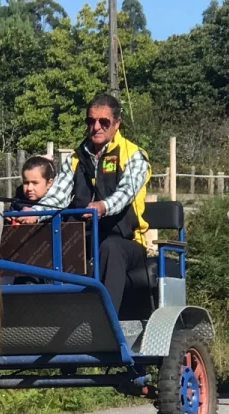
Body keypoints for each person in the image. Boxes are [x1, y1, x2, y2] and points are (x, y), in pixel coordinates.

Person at [29, 93, 152, 314]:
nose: (96, 127)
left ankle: (106, 322)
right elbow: (57, 196)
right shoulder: (75, 158)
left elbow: (125, 193)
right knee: (43, 243)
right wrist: (34, 213)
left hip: (127, 242)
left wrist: (102, 207)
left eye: (103, 122)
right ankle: (46, 316)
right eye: (91, 121)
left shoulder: (133, 156)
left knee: (110, 248)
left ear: (116, 124)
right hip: (83, 238)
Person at [7, 155, 56, 221]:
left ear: (49, 183)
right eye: (26, 182)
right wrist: (10, 218)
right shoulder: (17, 201)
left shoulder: (56, 203)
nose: (29, 188)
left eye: (35, 183)